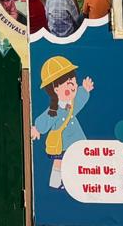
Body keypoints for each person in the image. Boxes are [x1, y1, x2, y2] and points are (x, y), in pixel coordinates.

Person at [31, 56, 95, 189]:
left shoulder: (71, 104)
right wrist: (37, 128)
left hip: (77, 142)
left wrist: (85, 90)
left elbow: (79, 101)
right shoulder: (54, 109)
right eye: (68, 85)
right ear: (55, 89)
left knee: (76, 163)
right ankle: (55, 184)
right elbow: (45, 119)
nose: (73, 88)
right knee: (59, 163)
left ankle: (75, 183)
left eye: (74, 84)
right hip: (62, 144)